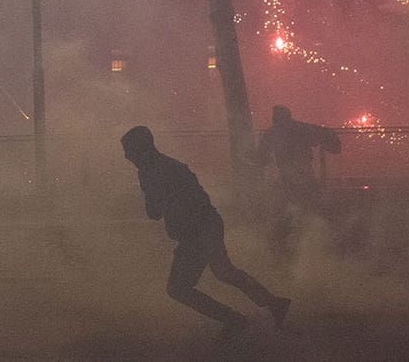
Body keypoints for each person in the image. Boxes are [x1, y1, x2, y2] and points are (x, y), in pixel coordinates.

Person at [121, 125, 290, 337]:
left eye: (129, 151)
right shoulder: (166, 166)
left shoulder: (152, 172)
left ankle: (235, 320)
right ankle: (273, 304)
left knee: (179, 288)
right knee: (224, 272)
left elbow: (154, 212)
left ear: (140, 149)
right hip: (205, 225)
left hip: (197, 230)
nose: (127, 157)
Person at [254, 105, 340, 207]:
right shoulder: (301, 128)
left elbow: (261, 156)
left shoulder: (272, 133)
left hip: (289, 177)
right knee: (312, 206)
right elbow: (328, 136)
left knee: (283, 205)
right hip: (304, 176)